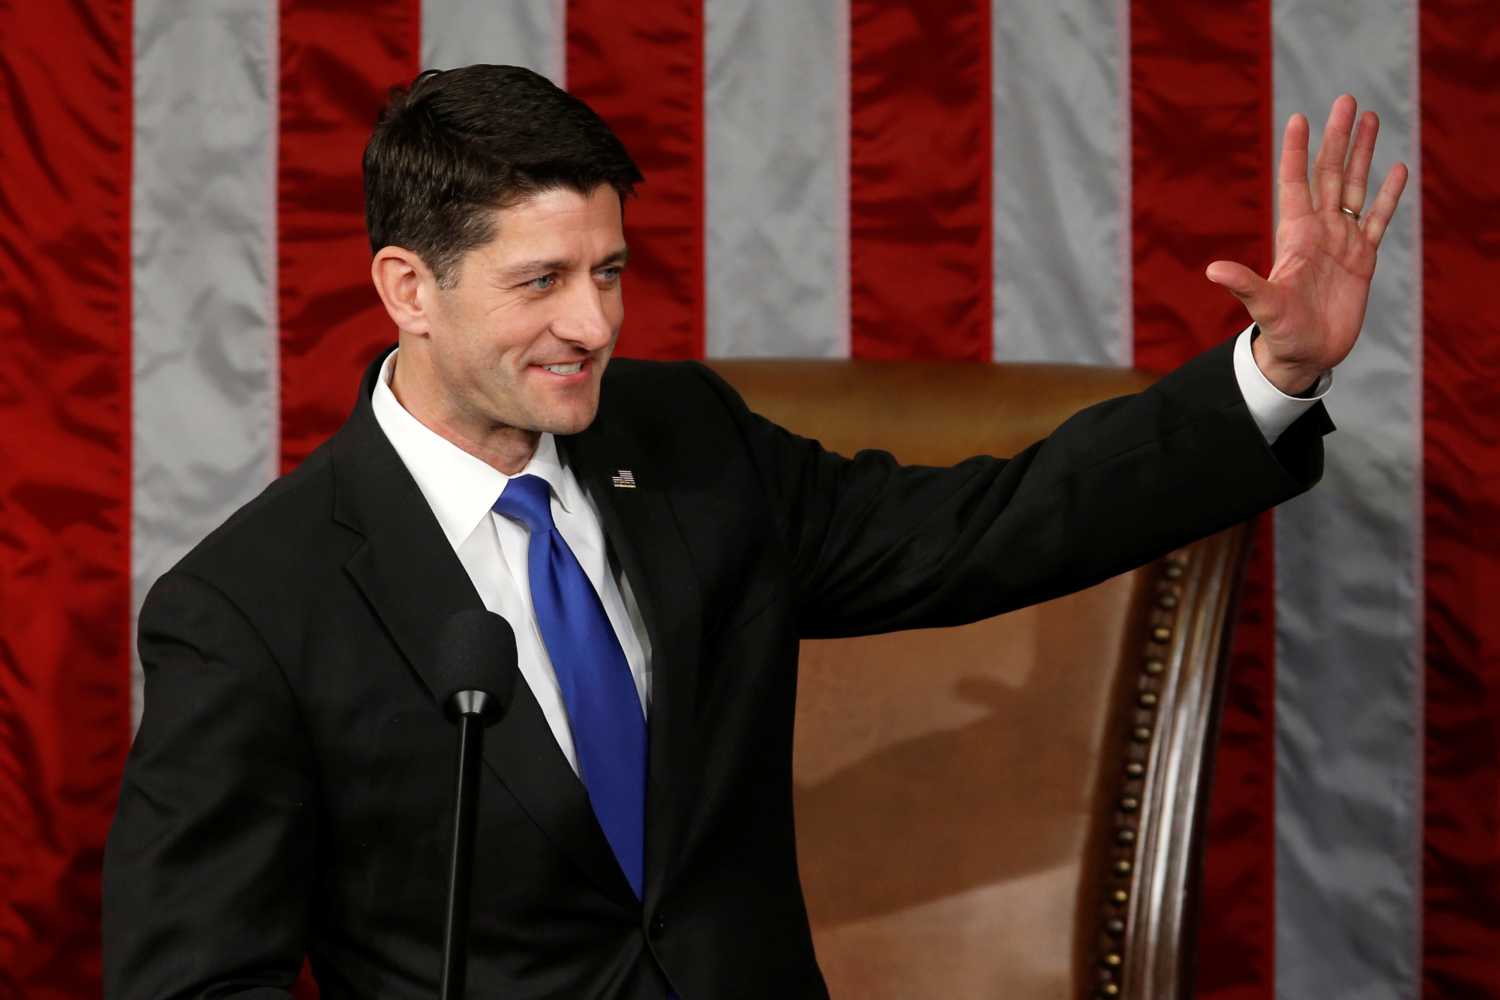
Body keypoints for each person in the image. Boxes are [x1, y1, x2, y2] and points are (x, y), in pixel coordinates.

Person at [102, 65, 1406, 999]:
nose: (593, 326)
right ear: (408, 289)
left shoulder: (687, 444)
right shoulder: (251, 608)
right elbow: (197, 979)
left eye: (609, 271)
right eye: (540, 281)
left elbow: (986, 527)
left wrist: (1272, 376)